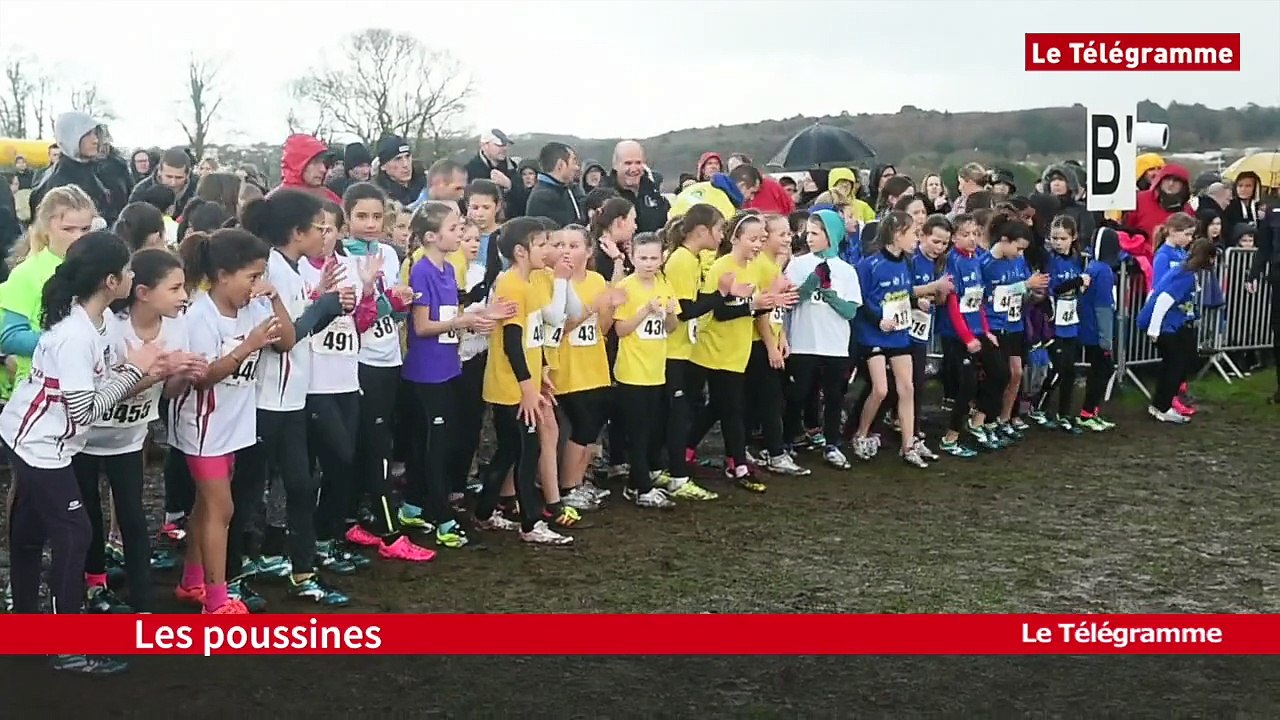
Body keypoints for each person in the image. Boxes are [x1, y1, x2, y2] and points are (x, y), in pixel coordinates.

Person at [0, 231, 167, 675]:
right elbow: (84, 410)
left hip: (35, 436)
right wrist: (135, 371)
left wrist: (134, 370)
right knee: (74, 534)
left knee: (31, 532)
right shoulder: (75, 334)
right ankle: (66, 645)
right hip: (41, 445)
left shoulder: (99, 322)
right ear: (111, 281)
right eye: (128, 270)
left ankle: (28, 630)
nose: (133, 276)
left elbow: (101, 382)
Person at [77, 248, 204, 615]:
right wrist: (153, 371)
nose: (184, 296)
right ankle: (94, 583)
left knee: (133, 516)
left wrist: (183, 375)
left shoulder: (177, 326)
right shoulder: (108, 327)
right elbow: (96, 392)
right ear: (144, 292)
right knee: (89, 513)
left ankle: (143, 600)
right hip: (86, 437)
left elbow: (169, 392)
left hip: (130, 437)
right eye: (176, 288)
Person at [171, 229, 292, 616]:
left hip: (234, 423)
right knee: (221, 509)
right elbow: (201, 375)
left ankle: (192, 582)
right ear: (223, 275)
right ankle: (217, 601)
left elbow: (287, 341)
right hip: (201, 425)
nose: (257, 284)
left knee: (207, 507)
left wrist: (275, 299)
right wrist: (248, 345)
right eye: (252, 277)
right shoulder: (200, 317)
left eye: (261, 276)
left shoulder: (255, 308)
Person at [338, 182, 434, 561]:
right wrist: (384, 302)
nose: (370, 224)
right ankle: (385, 529)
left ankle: (360, 518)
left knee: (379, 438)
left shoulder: (391, 255)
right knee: (372, 443)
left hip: (389, 355)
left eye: (377, 216)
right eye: (361, 216)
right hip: (358, 362)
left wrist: (400, 303)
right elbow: (350, 313)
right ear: (346, 219)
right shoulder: (342, 256)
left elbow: (391, 307)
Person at [474, 216, 572, 544]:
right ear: (520, 251)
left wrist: (540, 371)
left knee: (509, 451)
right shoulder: (513, 285)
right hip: (511, 388)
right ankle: (531, 524)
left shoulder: (526, 282)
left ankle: (484, 512)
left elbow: (530, 339)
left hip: (519, 384)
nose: (548, 250)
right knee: (526, 451)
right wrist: (527, 389)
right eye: (541, 244)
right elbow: (511, 343)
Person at [686, 212, 778, 492]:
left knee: (721, 405)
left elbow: (756, 307)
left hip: (737, 350)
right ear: (735, 238)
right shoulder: (722, 267)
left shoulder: (753, 267)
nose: (758, 245)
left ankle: (685, 449)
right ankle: (736, 463)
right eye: (752, 239)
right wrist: (754, 304)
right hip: (715, 349)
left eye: (761, 239)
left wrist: (773, 301)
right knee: (732, 408)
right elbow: (720, 311)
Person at [784, 209, 862, 469]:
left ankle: (832, 444)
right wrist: (810, 284)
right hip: (803, 341)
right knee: (797, 394)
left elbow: (851, 310)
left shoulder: (846, 270)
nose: (809, 238)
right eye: (808, 233)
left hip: (835, 344)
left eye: (816, 233)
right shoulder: (798, 264)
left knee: (834, 397)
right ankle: (787, 441)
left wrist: (829, 294)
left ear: (831, 235)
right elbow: (791, 301)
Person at [849, 211, 928, 468]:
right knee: (881, 388)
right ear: (896, 234)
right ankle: (861, 433)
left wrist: (917, 302)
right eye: (913, 234)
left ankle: (908, 445)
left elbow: (901, 294)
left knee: (907, 387)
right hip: (872, 334)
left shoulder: (907, 262)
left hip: (898, 333)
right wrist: (877, 322)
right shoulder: (868, 265)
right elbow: (858, 302)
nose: (917, 239)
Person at [1, 187, 97, 395]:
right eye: (68, 229)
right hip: (38, 390)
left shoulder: (99, 268)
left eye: (85, 229)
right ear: (46, 229)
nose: (78, 237)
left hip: (87, 386)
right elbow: (10, 336)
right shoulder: (27, 273)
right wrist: (67, 344)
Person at [937, 212, 1008, 454]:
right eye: (965, 235)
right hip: (957, 334)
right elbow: (954, 306)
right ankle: (950, 438)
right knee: (966, 385)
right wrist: (967, 337)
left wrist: (986, 331)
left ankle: (978, 422)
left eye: (975, 234)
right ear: (954, 238)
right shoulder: (953, 262)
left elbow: (978, 301)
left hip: (977, 329)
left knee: (1000, 373)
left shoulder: (976, 258)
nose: (971, 239)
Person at [1138, 238, 1217, 423]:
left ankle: (1159, 405)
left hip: (1170, 325)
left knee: (1171, 366)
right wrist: (1154, 329)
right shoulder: (1186, 276)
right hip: (1167, 326)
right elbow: (1164, 299)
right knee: (1174, 366)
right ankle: (1162, 406)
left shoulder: (1184, 270)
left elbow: (1156, 291)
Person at [1030, 215, 1091, 432]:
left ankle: (1065, 414)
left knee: (1070, 372)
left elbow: (1075, 287)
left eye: (1063, 238)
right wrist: (1078, 282)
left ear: (1072, 238)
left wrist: (1080, 287)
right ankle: (1037, 407)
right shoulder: (1049, 260)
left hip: (1070, 322)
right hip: (1053, 323)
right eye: (1054, 238)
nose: (1058, 242)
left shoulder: (1075, 260)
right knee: (1057, 369)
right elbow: (1053, 288)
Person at [28, 112, 117, 223]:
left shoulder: (93, 171)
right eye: (87, 134)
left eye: (95, 133)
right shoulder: (58, 183)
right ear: (70, 137)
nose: (95, 140)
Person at [600, 140, 669, 234]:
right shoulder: (604, 197)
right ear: (615, 165)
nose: (634, 169)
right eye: (628, 163)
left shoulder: (653, 191)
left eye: (638, 163)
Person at [464, 129, 524, 219]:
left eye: (505, 145)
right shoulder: (469, 171)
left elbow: (524, 198)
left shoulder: (513, 167)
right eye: (499, 145)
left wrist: (509, 185)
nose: (504, 148)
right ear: (484, 146)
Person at [129, 147, 198, 220]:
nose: (173, 183)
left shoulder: (199, 189)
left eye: (179, 177)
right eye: (169, 176)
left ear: (187, 174)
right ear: (159, 171)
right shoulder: (142, 190)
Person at [524, 142, 583, 227]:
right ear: (560, 165)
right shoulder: (543, 198)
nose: (577, 167)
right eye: (573, 161)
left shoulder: (566, 189)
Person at [272, 134, 342, 205]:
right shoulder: (275, 202)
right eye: (315, 162)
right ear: (297, 163)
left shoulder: (329, 197)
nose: (323, 169)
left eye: (322, 162)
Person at [373, 133, 426, 207]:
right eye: (398, 159)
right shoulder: (377, 196)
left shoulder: (427, 186)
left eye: (407, 157)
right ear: (383, 166)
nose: (405, 164)